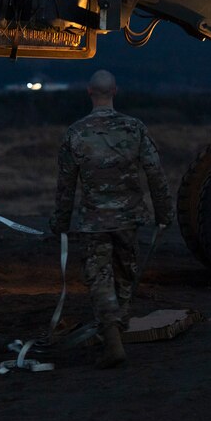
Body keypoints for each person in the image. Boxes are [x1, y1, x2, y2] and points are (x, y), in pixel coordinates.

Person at [49, 69, 172, 369]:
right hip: (129, 218)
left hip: (94, 221)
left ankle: (112, 335)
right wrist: (163, 213)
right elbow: (155, 174)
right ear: (114, 91)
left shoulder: (76, 133)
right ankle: (118, 327)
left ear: (90, 92)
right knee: (125, 272)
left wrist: (61, 222)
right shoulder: (134, 128)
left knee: (99, 277)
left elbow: (66, 184)